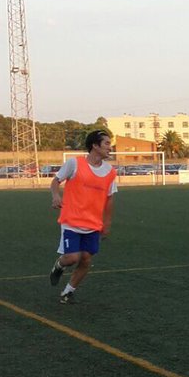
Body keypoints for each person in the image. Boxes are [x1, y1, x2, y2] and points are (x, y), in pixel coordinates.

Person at [48, 129, 118, 304]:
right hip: (71, 221)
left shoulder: (110, 172)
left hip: (93, 224)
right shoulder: (75, 163)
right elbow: (55, 181)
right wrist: (56, 196)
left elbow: (109, 199)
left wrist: (107, 223)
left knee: (86, 260)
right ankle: (59, 266)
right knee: (72, 258)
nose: (110, 147)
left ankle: (68, 292)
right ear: (95, 145)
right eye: (106, 143)